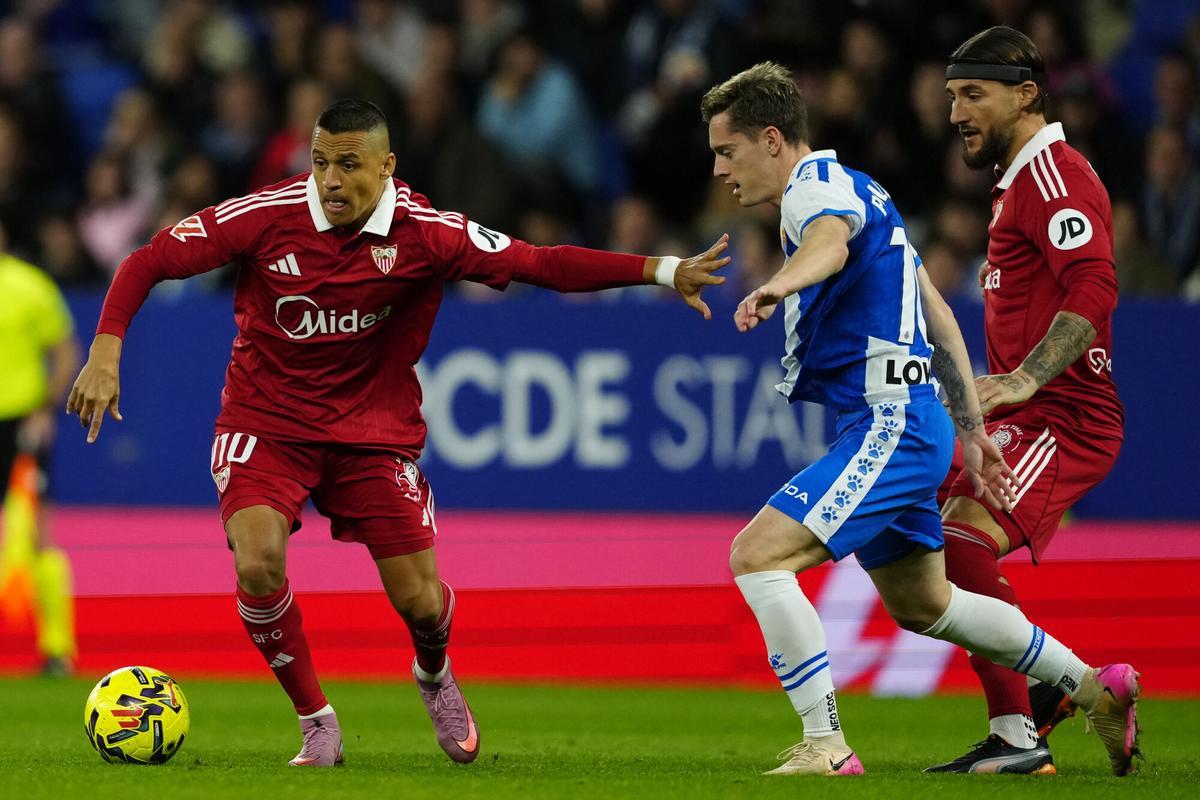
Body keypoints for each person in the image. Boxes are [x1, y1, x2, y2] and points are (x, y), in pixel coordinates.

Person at [66, 98, 729, 768]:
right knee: (258, 561)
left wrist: (662, 269)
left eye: (348, 165)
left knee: (420, 602)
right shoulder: (266, 215)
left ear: (386, 166)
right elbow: (148, 260)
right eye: (320, 162)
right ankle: (316, 722)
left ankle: (434, 672)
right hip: (266, 422)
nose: (330, 180)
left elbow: (541, 263)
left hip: (371, 432)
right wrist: (106, 349)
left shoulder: (428, 233)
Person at [700, 62, 1140, 777]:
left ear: (771, 139)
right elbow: (937, 315)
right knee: (925, 602)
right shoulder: (864, 189)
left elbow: (828, 246)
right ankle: (1094, 688)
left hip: (890, 422)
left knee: (758, 556)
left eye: (727, 150)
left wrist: (778, 285)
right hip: (910, 421)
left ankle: (826, 746)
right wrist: (969, 426)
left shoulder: (813, 191)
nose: (720, 169)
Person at [930, 26, 1134, 775]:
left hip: (1066, 416)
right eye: (952, 95)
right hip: (1030, 414)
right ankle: (1046, 698)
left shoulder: (1053, 178)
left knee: (959, 541)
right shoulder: (1018, 182)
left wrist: (1027, 378)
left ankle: (1025, 729)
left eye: (973, 95)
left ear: (1026, 95)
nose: (956, 112)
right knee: (939, 543)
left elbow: (1096, 284)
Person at [0, 221, 81, 676]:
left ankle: (56, 649)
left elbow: (66, 352)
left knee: (36, 532)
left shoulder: (30, 286)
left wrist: (45, 408)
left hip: (18, 424)